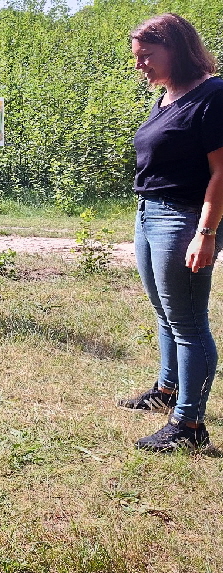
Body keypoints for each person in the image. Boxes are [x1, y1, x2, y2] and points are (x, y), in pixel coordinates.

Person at [117, 13, 223, 452]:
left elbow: (222, 171)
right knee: (166, 314)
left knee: (188, 323)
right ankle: (167, 389)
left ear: (177, 49)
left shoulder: (213, 95)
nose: (139, 65)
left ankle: (189, 425)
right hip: (149, 213)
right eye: (137, 57)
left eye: (147, 55)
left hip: (183, 219)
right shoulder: (166, 96)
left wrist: (207, 232)